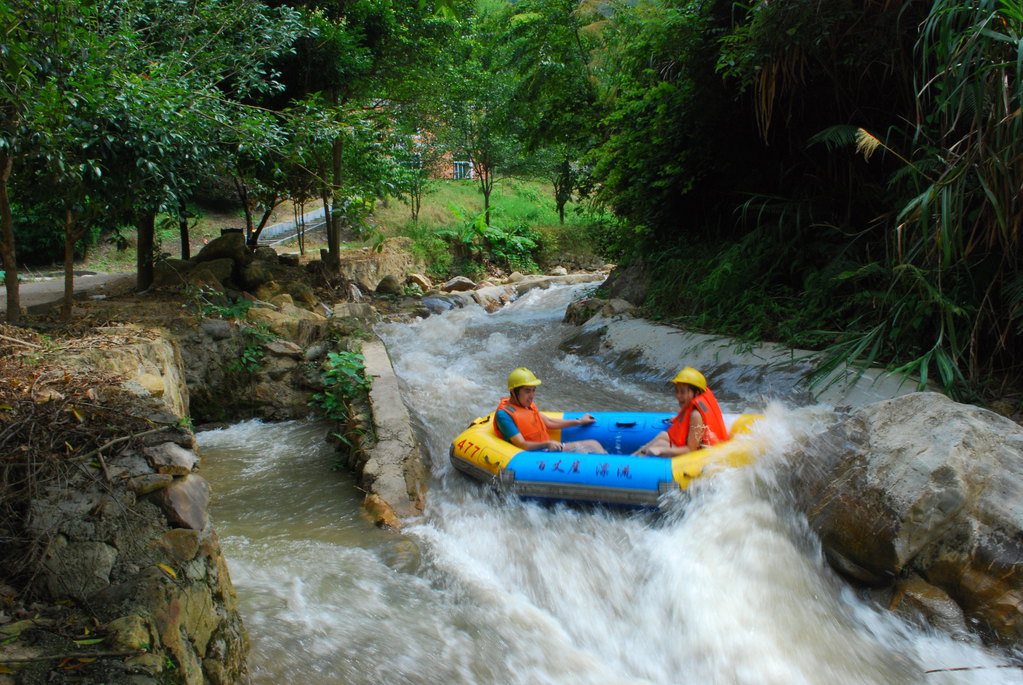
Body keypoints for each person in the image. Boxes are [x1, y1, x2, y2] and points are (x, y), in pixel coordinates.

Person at [494, 367, 606, 453]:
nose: (532, 395)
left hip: (546, 449)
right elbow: (522, 444)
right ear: (513, 391)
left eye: (534, 390)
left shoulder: (527, 405)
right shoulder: (504, 415)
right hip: (534, 455)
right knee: (591, 446)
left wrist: (580, 422)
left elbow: (549, 422)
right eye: (527, 391)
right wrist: (547, 444)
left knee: (593, 445)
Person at [634, 367, 730, 457]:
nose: (678, 396)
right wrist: (677, 419)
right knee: (662, 435)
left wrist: (662, 450)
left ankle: (632, 463)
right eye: (677, 391)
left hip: (702, 457)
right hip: (702, 448)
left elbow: (690, 450)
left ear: (696, 393)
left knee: (660, 444)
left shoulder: (696, 415)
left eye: (683, 392)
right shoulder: (696, 407)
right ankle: (633, 458)